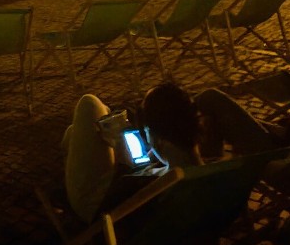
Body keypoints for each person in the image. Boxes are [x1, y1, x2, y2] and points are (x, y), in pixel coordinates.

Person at [62, 83, 203, 224]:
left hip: (97, 204)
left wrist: (120, 152)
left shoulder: (161, 187)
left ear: (160, 140)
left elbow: (121, 200)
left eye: (146, 131)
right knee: (76, 130)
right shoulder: (208, 173)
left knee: (89, 104)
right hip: (121, 189)